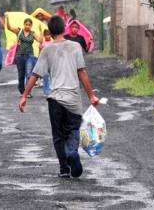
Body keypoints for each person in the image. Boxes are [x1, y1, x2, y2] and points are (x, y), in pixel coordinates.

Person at [19, 16, 99, 178]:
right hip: (73, 99)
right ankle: (72, 152)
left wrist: (24, 96)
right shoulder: (75, 47)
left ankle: (64, 169)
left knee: (58, 135)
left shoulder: (47, 49)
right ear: (64, 29)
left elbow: (35, 74)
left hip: (55, 99)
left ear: (51, 31)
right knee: (73, 129)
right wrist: (91, 95)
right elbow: (81, 72)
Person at [5, 14, 43, 97]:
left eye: (29, 25)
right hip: (20, 56)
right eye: (26, 24)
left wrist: (40, 31)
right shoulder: (19, 31)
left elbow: (40, 40)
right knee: (21, 75)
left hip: (30, 56)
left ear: (31, 26)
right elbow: (9, 28)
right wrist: (7, 18)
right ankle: (22, 91)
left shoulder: (32, 33)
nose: (28, 26)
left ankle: (28, 92)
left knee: (29, 74)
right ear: (24, 24)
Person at [39, 29, 52, 96]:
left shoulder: (53, 42)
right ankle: (45, 91)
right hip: (44, 62)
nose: (48, 36)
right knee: (45, 77)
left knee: (53, 77)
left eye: (49, 35)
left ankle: (53, 90)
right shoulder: (42, 43)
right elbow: (40, 52)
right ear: (44, 36)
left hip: (52, 62)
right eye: (46, 35)